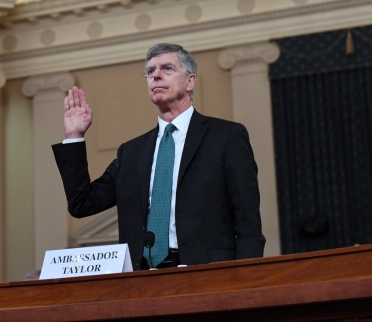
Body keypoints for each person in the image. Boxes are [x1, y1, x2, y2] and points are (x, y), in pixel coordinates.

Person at [52, 43, 265, 270]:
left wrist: (245, 277)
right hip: (142, 278)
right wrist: (74, 135)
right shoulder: (131, 153)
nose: (156, 75)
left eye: (167, 68)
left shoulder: (226, 137)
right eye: (150, 71)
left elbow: (248, 223)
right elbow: (82, 204)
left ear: (190, 81)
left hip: (208, 273)